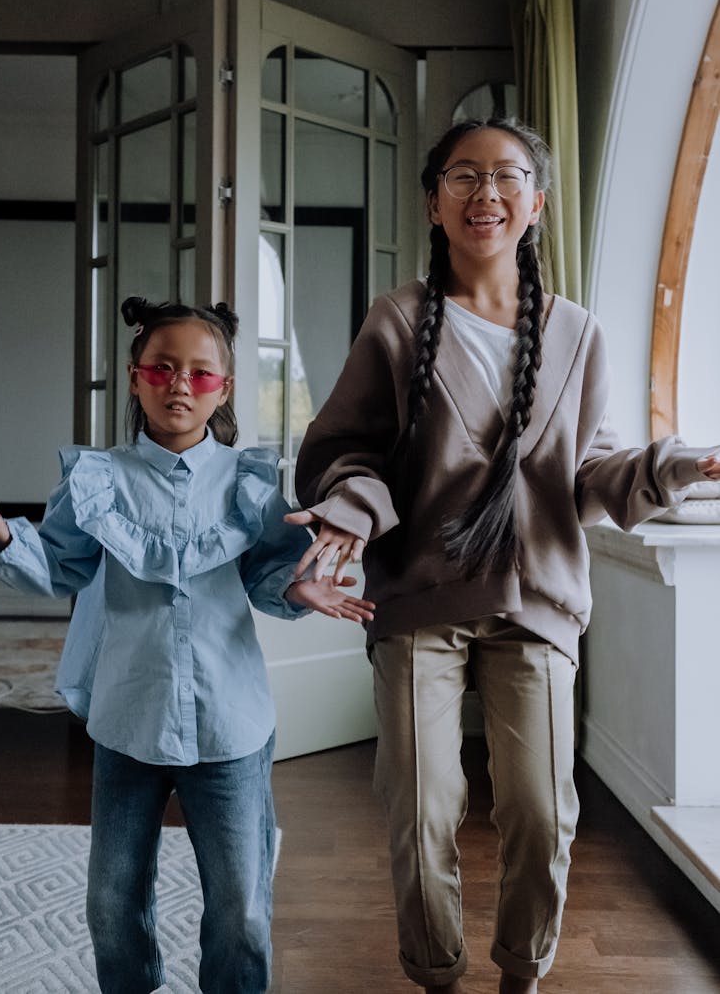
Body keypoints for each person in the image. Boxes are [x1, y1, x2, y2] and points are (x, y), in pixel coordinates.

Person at [286, 118, 720, 994]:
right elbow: (347, 449)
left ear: (537, 204)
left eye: (507, 176)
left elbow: (592, 474)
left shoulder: (579, 333)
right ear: (434, 202)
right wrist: (350, 515)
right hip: (418, 599)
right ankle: (436, 973)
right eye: (463, 176)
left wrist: (682, 464)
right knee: (423, 806)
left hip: (537, 603)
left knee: (539, 810)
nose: (486, 192)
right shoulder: (400, 321)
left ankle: (522, 973)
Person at [0, 296, 374, 994]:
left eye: (199, 373)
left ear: (223, 388)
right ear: (135, 377)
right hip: (128, 719)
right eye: (161, 369)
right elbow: (60, 563)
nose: (179, 384)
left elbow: (273, 568)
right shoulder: (98, 480)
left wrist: (295, 588)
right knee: (110, 904)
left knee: (242, 908)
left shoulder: (250, 483)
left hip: (231, 725)